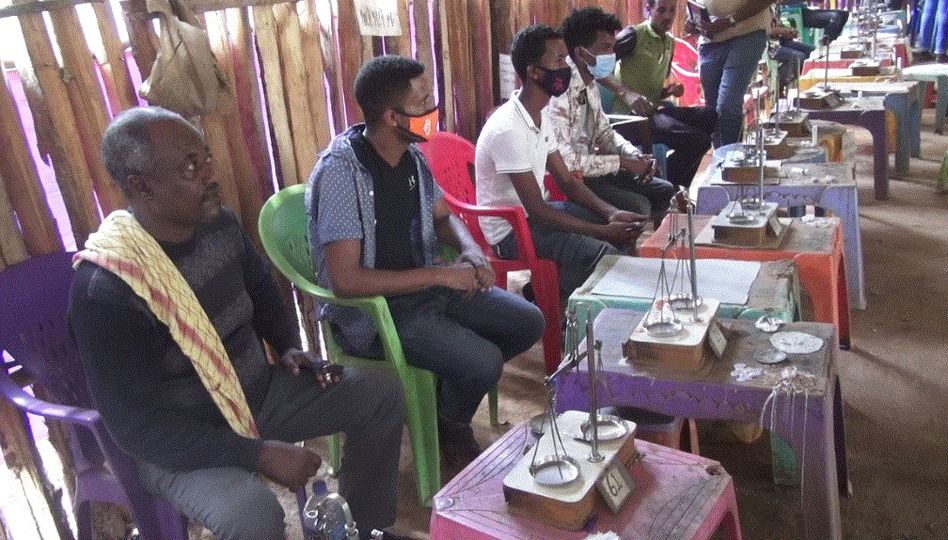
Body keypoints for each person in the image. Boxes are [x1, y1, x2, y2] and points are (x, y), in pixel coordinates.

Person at [70, 106, 406, 540]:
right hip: (179, 443)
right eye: (191, 167)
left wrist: (287, 345)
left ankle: (361, 529)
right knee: (252, 513)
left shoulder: (219, 225)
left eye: (207, 158)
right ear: (141, 186)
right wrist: (257, 454)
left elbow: (262, 290)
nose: (211, 174)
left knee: (379, 393)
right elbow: (139, 429)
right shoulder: (108, 288)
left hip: (256, 395)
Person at [307, 56, 545, 467]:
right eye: (423, 100)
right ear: (392, 116)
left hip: (428, 292)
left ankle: (443, 411)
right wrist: (440, 275)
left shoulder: (412, 156)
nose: (434, 108)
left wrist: (472, 250)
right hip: (378, 315)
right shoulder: (343, 174)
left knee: (528, 322)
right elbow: (346, 281)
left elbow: (443, 217)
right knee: (483, 360)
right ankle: (449, 424)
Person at [476, 24, 644, 303]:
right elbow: (538, 211)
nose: (567, 67)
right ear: (534, 72)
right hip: (510, 231)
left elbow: (566, 180)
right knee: (605, 253)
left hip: (535, 216)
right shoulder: (509, 128)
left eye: (566, 59)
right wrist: (602, 231)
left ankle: (550, 293)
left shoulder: (539, 115)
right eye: (559, 61)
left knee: (621, 231)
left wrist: (611, 213)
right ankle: (564, 309)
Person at [550, 7, 677, 226]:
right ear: (580, 53)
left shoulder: (589, 82)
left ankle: (655, 244)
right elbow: (567, 163)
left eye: (612, 47)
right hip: (572, 181)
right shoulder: (560, 91)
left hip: (594, 170)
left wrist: (634, 155)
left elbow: (604, 133)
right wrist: (622, 163)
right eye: (606, 48)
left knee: (663, 190)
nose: (612, 55)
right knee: (638, 206)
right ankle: (620, 244)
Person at [602, 0, 718, 188]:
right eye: (661, 10)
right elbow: (598, 67)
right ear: (648, 10)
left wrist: (667, 91)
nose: (668, 16)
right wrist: (625, 93)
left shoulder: (669, 42)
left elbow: (651, 90)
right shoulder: (633, 35)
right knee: (698, 141)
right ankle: (671, 189)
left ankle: (669, 182)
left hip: (652, 113)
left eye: (672, 10)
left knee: (710, 115)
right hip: (629, 120)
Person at [688, 0, 778, 147]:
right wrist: (693, 21)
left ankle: (731, 159)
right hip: (709, 41)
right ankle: (721, 156)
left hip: (747, 32)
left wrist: (729, 21)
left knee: (727, 106)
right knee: (712, 111)